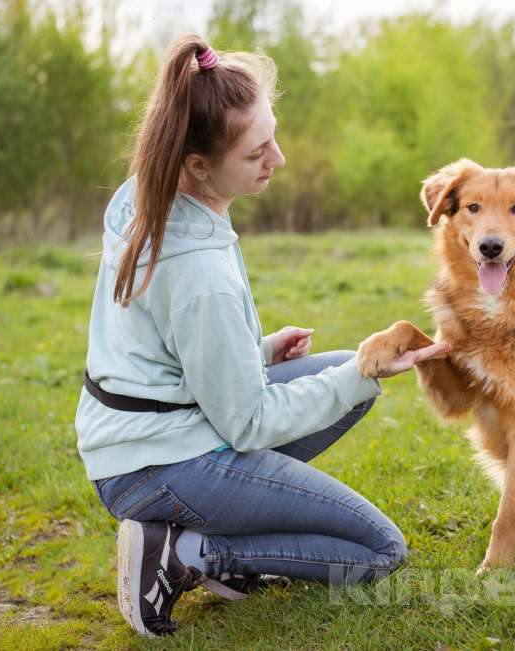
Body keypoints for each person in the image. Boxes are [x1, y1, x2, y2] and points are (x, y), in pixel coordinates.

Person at [74, 34, 449, 638]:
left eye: (273, 135)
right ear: (198, 163)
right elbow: (246, 423)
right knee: (381, 549)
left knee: (350, 383)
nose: (278, 158)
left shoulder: (152, 192)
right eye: (256, 153)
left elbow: (163, 344)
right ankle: (189, 556)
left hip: (150, 432)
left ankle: (211, 533)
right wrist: (357, 374)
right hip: (154, 463)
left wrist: (258, 352)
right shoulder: (197, 273)